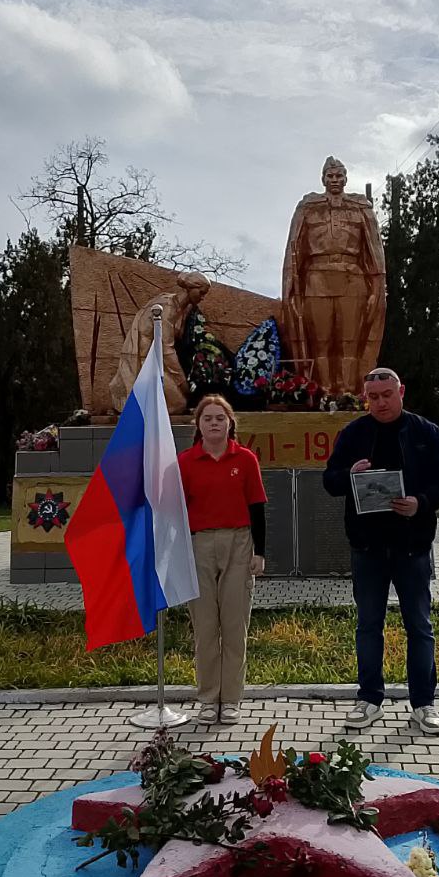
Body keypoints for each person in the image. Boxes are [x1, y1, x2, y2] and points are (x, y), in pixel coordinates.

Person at [322, 367, 439, 735]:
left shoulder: (426, 433)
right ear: (366, 398)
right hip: (367, 547)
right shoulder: (353, 434)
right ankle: (369, 699)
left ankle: (424, 704)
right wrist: (350, 473)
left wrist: (421, 502)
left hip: (412, 547)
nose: (379, 402)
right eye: (373, 396)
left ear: (401, 392)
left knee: (420, 626)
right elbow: (329, 480)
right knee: (368, 626)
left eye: (386, 394)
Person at [177, 394, 268, 724]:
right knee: (205, 627)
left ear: (230, 423)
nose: (214, 423)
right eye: (207, 418)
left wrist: (260, 552)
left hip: (238, 544)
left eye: (220, 417)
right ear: (198, 425)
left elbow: (257, 507)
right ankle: (207, 699)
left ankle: (231, 699)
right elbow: (175, 509)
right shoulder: (185, 462)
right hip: (198, 545)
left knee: (233, 626)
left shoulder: (244, 460)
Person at [281, 156, 386, 396]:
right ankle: (323, 392)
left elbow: (375, 251)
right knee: (321, 341)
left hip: (353, 279)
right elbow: (293, 249)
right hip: (316, 279)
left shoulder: (360, 208)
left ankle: (348, 393)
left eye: (339, 176)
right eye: (330, 176)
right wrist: (289, 291)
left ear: (346, 179)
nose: (335, 180)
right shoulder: (308, 207)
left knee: (349, 341)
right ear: (323, 179)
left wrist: (377, 289)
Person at [108, 272, 212, 415]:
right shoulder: (167, 307)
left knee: (178, 404)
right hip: (145, 361)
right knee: (178, 404)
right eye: (201, 292)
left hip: (158, 362)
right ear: (191, 288)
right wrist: (182, 382)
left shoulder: (182, 308)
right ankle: (142, 419)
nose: (202, 297)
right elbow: (166, 349)